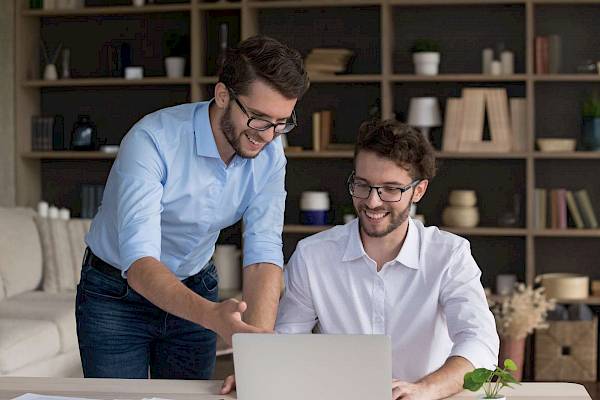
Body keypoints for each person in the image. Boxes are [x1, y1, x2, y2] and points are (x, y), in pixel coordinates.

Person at [76, 35, 309, 379]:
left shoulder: (271, 152)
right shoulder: (152, 141)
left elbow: (263, 254)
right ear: (223, 95)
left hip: (195, 285)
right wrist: (213, 317)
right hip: (116, 294)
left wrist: (256, 356)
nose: (269, 135)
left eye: (281, 122)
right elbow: (140, 263)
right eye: (259, 119)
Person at [221, 119, 498, 399]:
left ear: (419, 190)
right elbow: (288, 340)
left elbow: (480, 343)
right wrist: (258, 371)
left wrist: (425, 389)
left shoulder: (450, 255)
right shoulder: (313, 255)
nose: (373, 202)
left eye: (391, 189)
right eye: (363, 185)